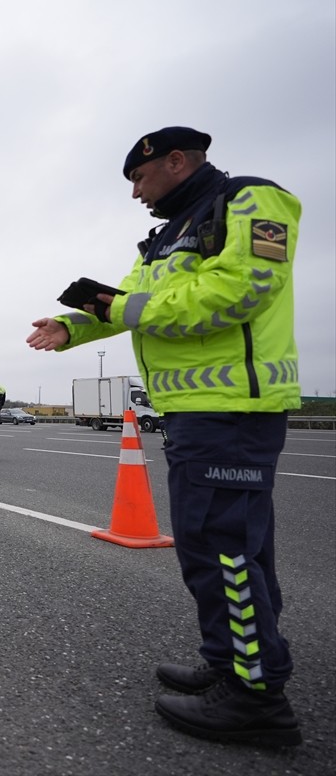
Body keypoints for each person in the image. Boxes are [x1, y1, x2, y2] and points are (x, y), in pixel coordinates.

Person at [27, 126, 303, 747]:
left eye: (139, 180)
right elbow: (130, 302)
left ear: (176, 162)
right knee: (237, 547)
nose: (135, 195)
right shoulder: (165, 237)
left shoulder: (253, 202)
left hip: (231, 407)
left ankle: (256, 696)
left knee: (221, 548)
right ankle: (232, 658)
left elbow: (238, 293)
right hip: (196, 411)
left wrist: (115, 308)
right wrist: (75, 325)